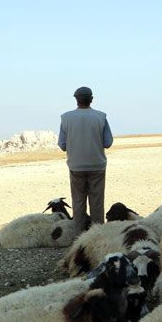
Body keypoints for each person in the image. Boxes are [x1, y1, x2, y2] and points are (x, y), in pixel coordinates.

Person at [58, 86, 113, 231]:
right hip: (97, 166)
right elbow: (108, 143)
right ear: (92, 99)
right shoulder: (101, 116)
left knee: (78, 202)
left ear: (76, 99)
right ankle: (97, 234)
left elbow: (62, 145)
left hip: (76, 166)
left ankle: (79, 236)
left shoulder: (65, 118)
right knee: (97, 202)